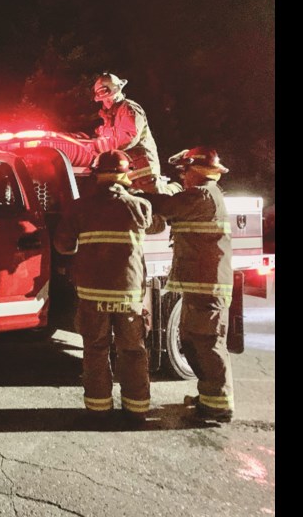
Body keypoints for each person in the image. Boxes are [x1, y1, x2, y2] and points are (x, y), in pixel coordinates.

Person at [54, 150, 164, 426]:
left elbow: (63, 245)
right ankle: (137, 410)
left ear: (96, 174)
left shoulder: (80, 208)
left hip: (92, 293)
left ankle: (98, 410)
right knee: (133, 351)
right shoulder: (140, 206)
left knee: (95, 350)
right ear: (125, 175)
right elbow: (157, 225)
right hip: (128, 295)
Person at [144, 147, 234, 422]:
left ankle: (219, 405)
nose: (182, 177)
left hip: (208, 285)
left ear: (196, 170)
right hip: (200, 283)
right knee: (193, 341)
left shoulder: (201, 195)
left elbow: (165, 207)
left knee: (207, 343)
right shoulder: (204, 194)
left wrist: (131, 194)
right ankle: (209, 397)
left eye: (184, 171)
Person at [90, 72, 170, 194]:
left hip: (143, 170)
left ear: (118, 92)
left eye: (110, 96)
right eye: (104, 99)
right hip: (128, 169)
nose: (107, 101)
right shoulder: (112, 114)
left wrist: (100, 147)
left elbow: (128, 138)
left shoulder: (129, 109)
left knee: (153, 204)